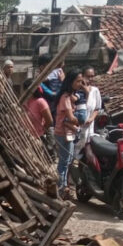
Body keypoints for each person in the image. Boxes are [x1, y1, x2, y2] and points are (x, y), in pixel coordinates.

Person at [54, 69, 83, 199]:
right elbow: (72, 118)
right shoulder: (65, 98)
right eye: (77, 81)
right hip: (62, 133)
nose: (80, 84)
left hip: (68, 133)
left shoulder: (70, 97)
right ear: (70, 82)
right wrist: (79, 119)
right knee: (64, 162)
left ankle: (63, 187)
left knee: (67, 161)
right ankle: (61, 188)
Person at [76, 66, 102, 152]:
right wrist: (85, 92)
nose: (90, 78)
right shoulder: (76, 91)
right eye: (88, 76)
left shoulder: (95, 91)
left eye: (92, 76)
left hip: (89, 126)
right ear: (82, 76)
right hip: (77, 126)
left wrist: (91, 119)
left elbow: (97, 108)